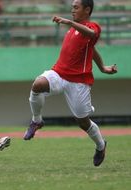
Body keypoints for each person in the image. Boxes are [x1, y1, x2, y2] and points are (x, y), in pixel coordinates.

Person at [23, 0, 117, 167]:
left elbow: (91, 36)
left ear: (87, 10)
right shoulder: (74, 29)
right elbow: (92, 50)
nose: (72, 10)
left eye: (76, 7)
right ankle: (37, 120)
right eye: (72, 7)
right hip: (59, 73)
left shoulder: (92, 26)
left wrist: (69, 22)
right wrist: (102, 67)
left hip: (79, 82)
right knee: (37, 85)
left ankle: (101, 146)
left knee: (83, 122)